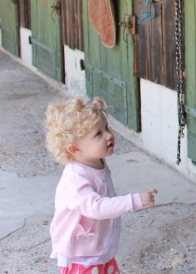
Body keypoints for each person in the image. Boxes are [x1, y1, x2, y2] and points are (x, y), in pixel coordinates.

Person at [45, 96, 158, 274]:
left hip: (97, 248)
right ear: (75, 150)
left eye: (106, 128)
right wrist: (135, 200)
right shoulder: (75, 179)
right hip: (81, 256)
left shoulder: (95, 162)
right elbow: (96, 207)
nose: (108, 135)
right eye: (98, 134)